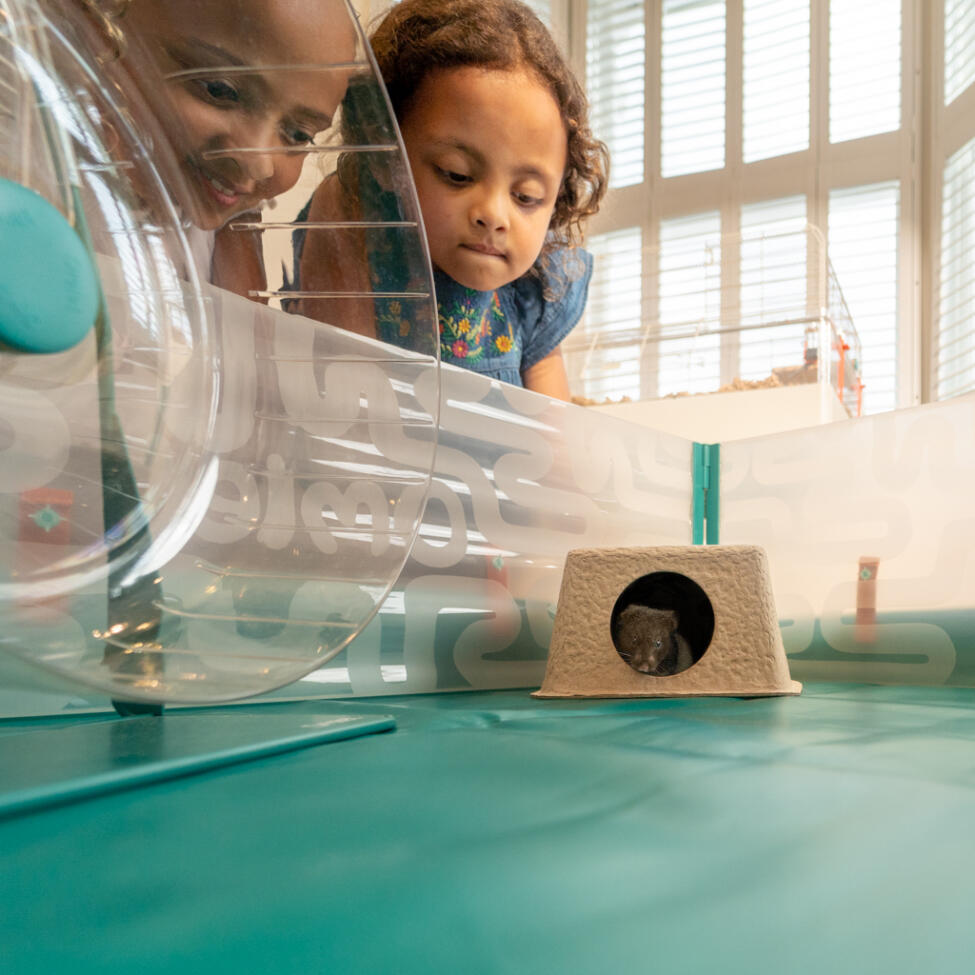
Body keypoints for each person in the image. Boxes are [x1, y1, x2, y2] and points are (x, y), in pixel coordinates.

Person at [296, 0, 608, 399]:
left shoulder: (537, 283)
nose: (493, 215)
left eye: (526, 197)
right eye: (457, 174)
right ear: (385, 155)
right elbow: (347, 392)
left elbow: (552, 426)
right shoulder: (354, 220)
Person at [71, 0, 356, 296]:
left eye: (298, 134)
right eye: (219, 90)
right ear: (99, 35)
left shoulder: (209, 208)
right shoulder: (49, 173)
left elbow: (243, 321)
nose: (258, 163)